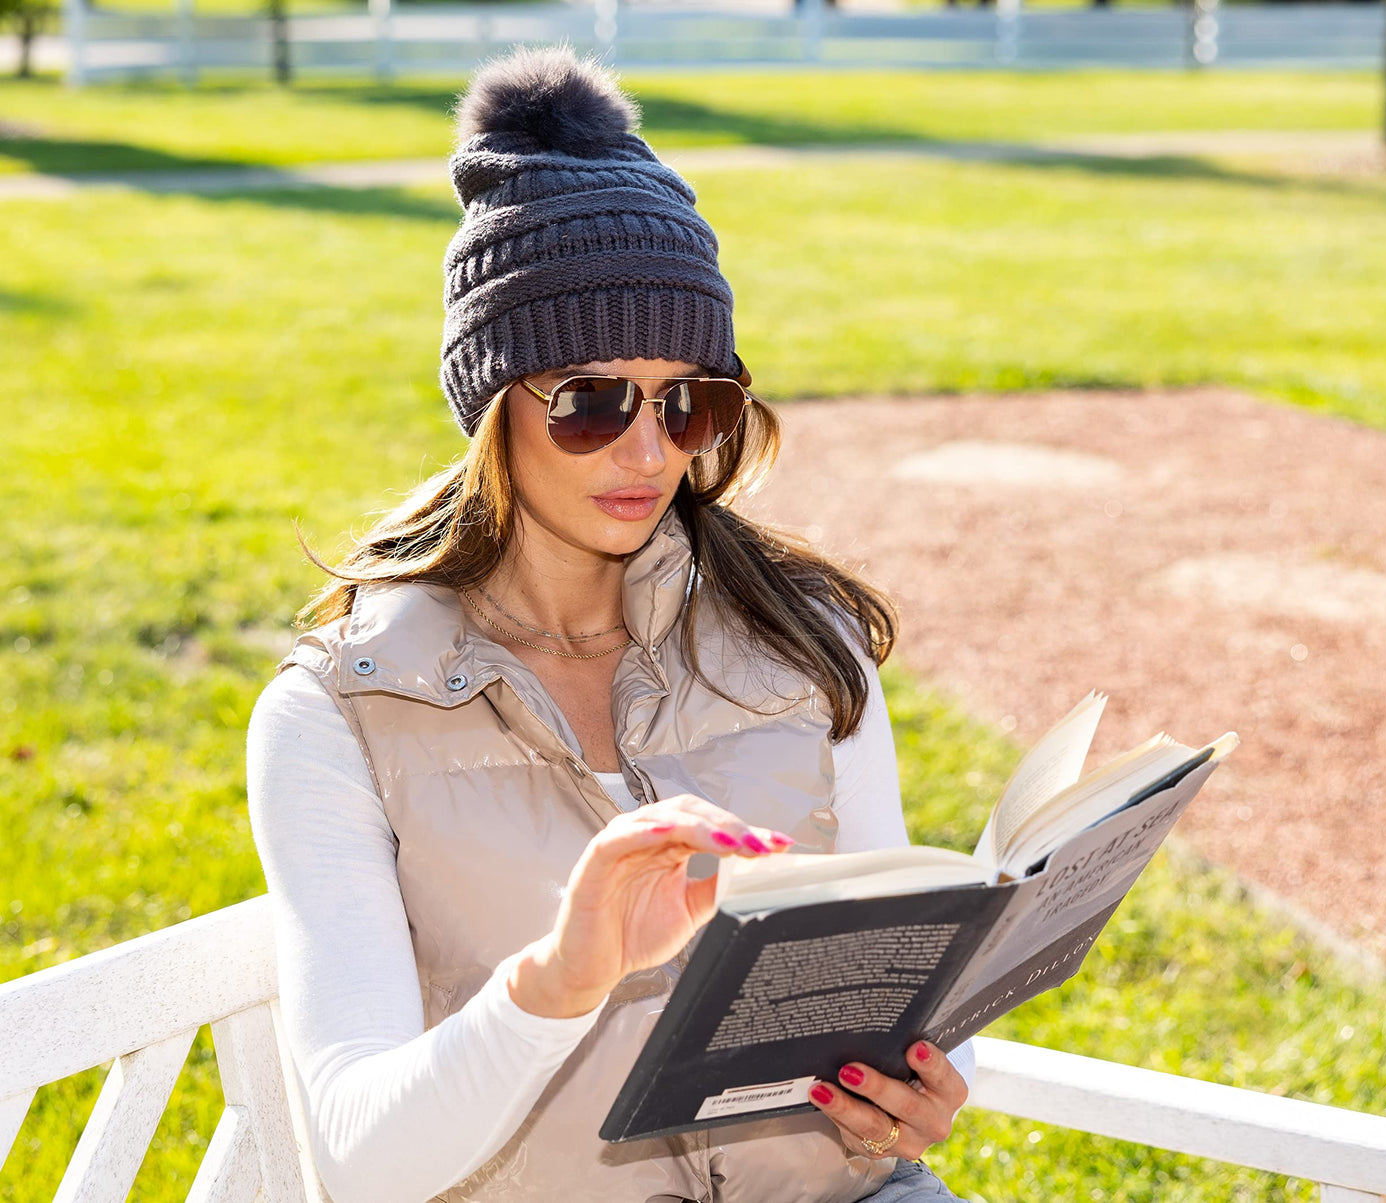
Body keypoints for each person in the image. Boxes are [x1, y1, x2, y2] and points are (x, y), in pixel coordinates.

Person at [245, 44, 976, 1203]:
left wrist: (929, 1078)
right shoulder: (336, 714)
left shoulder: (804, 642)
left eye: (692, 400)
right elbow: (356, 1161)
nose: (650, 453)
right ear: (492, 405)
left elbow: (889, 978)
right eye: (590, 403)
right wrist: (559, 980)